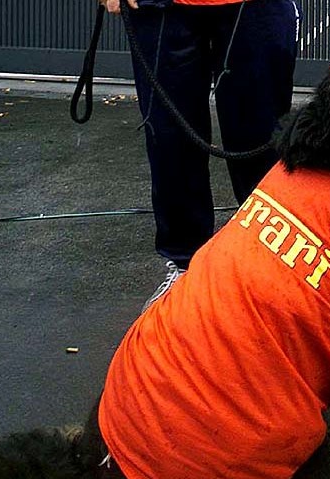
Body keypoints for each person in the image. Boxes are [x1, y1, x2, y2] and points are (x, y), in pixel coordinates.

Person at [99, 0, 300, 310]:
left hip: (257, 8)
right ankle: (184, 267)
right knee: (170, 142)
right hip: (162, 8)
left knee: (262, 141)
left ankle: (266, 270)